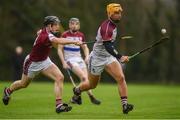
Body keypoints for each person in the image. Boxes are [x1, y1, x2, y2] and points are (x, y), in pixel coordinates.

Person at [2, 16, 82, 113]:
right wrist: (74, 41)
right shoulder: (47, 36)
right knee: (23, 84)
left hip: (44, 61)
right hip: (32, 63)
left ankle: (59, 105)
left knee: (59, 77)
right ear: (49, 25)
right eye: (55, 25)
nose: (58, 27)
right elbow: (57, 40)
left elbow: (44, 34)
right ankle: (8, 91)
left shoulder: (45, 32)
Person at [71, 3, 134, 114]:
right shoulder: (107, 27)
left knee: (121, 78)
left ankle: (125, 105)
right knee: (92, 85)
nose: (119, 15)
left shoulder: (113, 25)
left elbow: (109, 45)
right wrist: (120, 57)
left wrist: (117, 57)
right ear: (109, 14)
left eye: (120, 13)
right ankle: (77, 90)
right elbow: (108, 45)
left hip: (108, 57)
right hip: (97, 58)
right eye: (116, 13)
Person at [57, 18, 101, 105]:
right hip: (70, 60)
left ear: (79, 25)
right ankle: (83, 96)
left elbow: (85, 47)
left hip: (79, 59)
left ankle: (79, 97)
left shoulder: (81, 35)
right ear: (69, 25)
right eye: (72, 24)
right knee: (84, 78)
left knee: (87, 79)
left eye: (76, 24)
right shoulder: (65, 34)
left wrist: (87, 56)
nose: (74, 25)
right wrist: (63, 62)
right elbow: (59, 49)